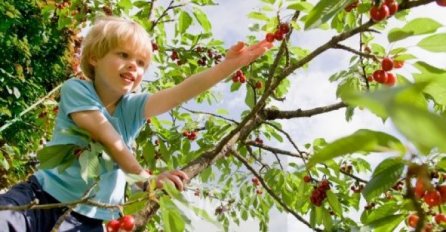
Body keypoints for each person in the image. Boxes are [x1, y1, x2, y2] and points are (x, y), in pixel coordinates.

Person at [0, 16, 273, 231]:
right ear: (94, 57)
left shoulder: (132, 109)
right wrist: (145, 179)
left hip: (89, 222)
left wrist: (226, 66)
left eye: (141, 62)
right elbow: (107, 135)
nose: (134, 66)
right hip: (42, 197)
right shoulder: (77, 89)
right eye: (123, 55)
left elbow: (181, 92)